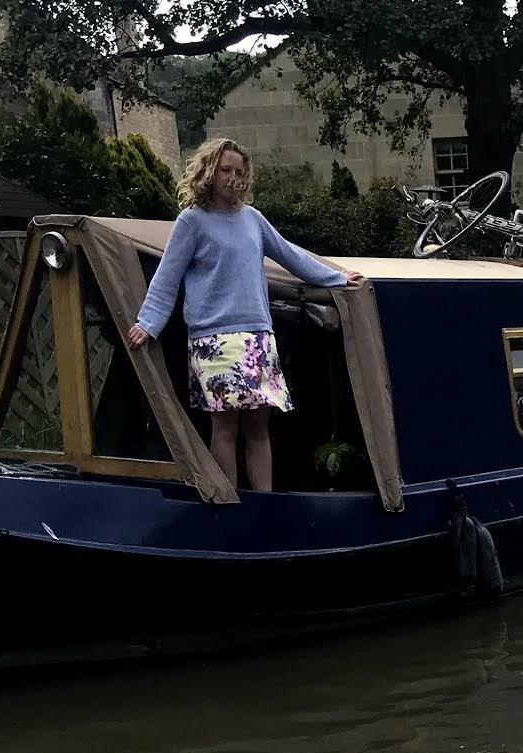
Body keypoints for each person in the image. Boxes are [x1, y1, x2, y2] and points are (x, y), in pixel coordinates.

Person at [126, 137, 364, 492]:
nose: (233, 178)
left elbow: (290, 254)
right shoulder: (192, 222)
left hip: (257, 339)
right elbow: (167, 278)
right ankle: (228, 503)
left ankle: (263, 506)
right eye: (225, 170)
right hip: (213, 342)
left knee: (258, 429)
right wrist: (148, 323)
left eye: (239, 172)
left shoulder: (253, 218)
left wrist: (336, 277)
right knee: (225, 429)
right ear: (208, 172)